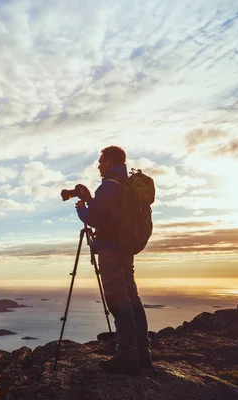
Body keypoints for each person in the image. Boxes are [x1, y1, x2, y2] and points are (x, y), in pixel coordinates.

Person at [74, 146, 152, 376]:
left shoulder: (109, 186)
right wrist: (91, 200)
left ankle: (127, 357)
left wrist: (81, 210)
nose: (98, 166)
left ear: (109, 161)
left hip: (110, 251)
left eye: (101, 161)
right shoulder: (126, 185)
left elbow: (96, 218)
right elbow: (111, 215)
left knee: (119, 304)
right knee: (133, 301)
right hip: (126, 250)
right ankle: (142, 355)